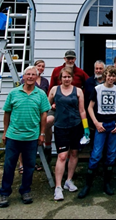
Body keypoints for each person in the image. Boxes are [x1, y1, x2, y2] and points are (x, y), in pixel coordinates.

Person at [0, 66, 51, 208]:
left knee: (29, 166)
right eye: (28, 74)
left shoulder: (40, 94)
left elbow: (44, 115)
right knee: (9, 166)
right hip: (13, 136)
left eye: (33, 74)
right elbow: (7, 113)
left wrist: (42, 134)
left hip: (32, 137)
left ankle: (25, 191)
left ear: (36, 77)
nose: (30, 77)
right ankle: (4, 193)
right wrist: (4, 132)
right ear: (23, 76)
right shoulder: (14, 93)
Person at [77, 66, 116, 198]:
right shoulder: (97, 89)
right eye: (109, 75)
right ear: (105, 76)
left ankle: (107, 183)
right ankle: (88, 185)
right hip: (101, 125)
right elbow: (90, 107)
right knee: (96, 153)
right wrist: (96, 123)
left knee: (111, 154)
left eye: (113, 76)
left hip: (114, 124)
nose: (111, 78)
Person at [48, 66, 88, 201]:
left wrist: (86, 128)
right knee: (62, 156)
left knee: (75, 153)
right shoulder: (54, 90)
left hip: (76, 126)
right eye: (64, 77)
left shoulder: (78, 91)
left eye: (69, 77)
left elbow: (82, 110)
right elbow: (46, 107)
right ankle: (58, 187)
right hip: (60, 127)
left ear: (72, 78)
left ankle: (69, 180)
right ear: (60, 78)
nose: (66, 79)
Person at [44, 50, 89, 165]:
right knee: (47, 122)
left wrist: (80, 96)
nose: (70, 60)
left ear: (75, 59)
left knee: (73, 144)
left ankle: (69, 163)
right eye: (68, 58)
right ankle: (47, 147)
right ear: (64, 59)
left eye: (72, 58)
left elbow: (89, 84)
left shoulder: (80, 72)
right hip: (57, 107)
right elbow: (51, 88)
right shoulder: (56, 71)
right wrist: (53, 101)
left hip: (73, 109)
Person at [18, 59, 49, 173]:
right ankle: (22, 164)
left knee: (37, 140)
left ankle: (33, 162)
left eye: (42, 66)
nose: (40, 68)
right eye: (38, 66)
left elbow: (47, 96)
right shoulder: (26, 80)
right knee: (23, 140)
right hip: (28, 112)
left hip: (40, 111)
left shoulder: (45, 81)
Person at [84, 60, 105, 145]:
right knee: (93, 140)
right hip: (92, 114)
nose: (98, 70)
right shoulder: (88, 82)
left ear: (104, 70)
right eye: (96, 68)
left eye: (100, 68)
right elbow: (86, 99)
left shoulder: (109, 82)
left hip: (105, 115)